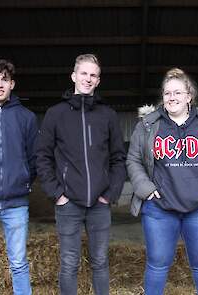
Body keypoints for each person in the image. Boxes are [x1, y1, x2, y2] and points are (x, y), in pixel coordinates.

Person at [126, 68, 198, 295]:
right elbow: (133, 160)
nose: (172, 97)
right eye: (167, 93)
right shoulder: (148, 125)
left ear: (189, 96)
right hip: (159, 208)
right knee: (157, 264)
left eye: (177, 93)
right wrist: (146, 189)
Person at [36, 54, 126, 295]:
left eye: (93, 75)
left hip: (100, 204)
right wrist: (57, 194)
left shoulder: (107, 115)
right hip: (68, 205)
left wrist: (110, 193)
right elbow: (42, 156)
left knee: (100, 263)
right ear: (74, 76)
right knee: (68, 264)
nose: (88, 79)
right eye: (84, 73)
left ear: (98, 81)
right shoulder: (56, 113)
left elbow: (119, 157)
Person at [0, 59, 38, 294]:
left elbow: (34, 159)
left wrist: (22, 181)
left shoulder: (26, 117)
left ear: (12, 84)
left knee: (19, 263)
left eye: (4, 79)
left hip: (16, 204)